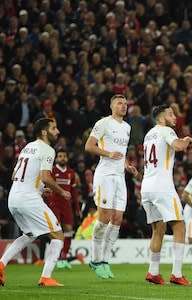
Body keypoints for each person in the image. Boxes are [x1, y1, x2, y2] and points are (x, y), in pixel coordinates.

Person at [0, 118, 71, 287]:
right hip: (28, 199)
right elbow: (46, 177)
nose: (57, 131)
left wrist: (39, 189)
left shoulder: (28, 147)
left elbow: (15, 175)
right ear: (44, 132)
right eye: (54, 128)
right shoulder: (47, 149)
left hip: (14, 197)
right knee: (58, 235)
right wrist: (61, 191)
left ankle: (1, 264)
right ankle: (46, 277)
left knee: (30, 235)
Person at [85, 94, 138, 279]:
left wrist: (127, 165)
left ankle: (105, 261)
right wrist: (107, 153)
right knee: (104, 217)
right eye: (119, 103)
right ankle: (95, 259)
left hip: (119, 177)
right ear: (111, 105)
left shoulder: (127, 127)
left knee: (117, 219)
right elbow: (89, 146)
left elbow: (121, 153)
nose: (123, 106)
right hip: (105, 176)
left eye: (125, 103)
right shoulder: (103, 123)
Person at [141, 104, 192, 286]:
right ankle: (177, 274)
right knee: (179, 225)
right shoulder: (165, 130)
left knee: (158, 229)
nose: (175, 117)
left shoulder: (149, 134)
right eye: (171, 114)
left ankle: (153, 271)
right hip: (162, 187)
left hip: (146, 187)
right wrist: (186, 140)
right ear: (161, 118)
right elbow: (178, 146)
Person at [47, 148, 84, 269]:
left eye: (64, 156)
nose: (62, 158)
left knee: (68, 230)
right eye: (60, 156)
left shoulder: (71, 173)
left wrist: (77, 208)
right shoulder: (51, 171)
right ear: (56, 158)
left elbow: (73, 191)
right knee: (56, 231)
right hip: (54, 205)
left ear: (67, 158)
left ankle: (63, 257)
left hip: (67, 206)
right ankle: (54, 257)